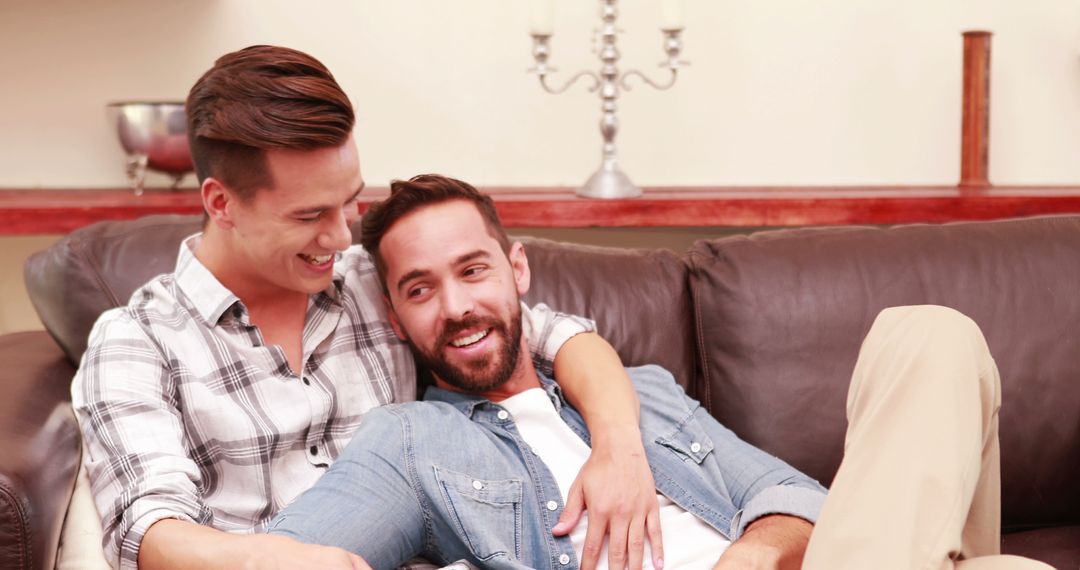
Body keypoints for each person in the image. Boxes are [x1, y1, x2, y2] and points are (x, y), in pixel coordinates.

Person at [270, 174, 1054, 570]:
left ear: (518, 269)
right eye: (420, 290)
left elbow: (801, 504)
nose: (456, 306)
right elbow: (289, 560)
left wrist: (754, 554)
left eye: (473, 270)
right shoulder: (409, 441)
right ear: (395, 317)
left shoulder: (644, 391)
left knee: (929, 332)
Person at [70, 46, 658, 570]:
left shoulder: (379, 283)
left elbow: (556, 338)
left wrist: (619, 449)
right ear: (221, 203)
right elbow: (148, 528)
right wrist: (268, 558)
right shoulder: (138, 340)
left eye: (348, 202)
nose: (340, 237)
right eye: (309, 215)